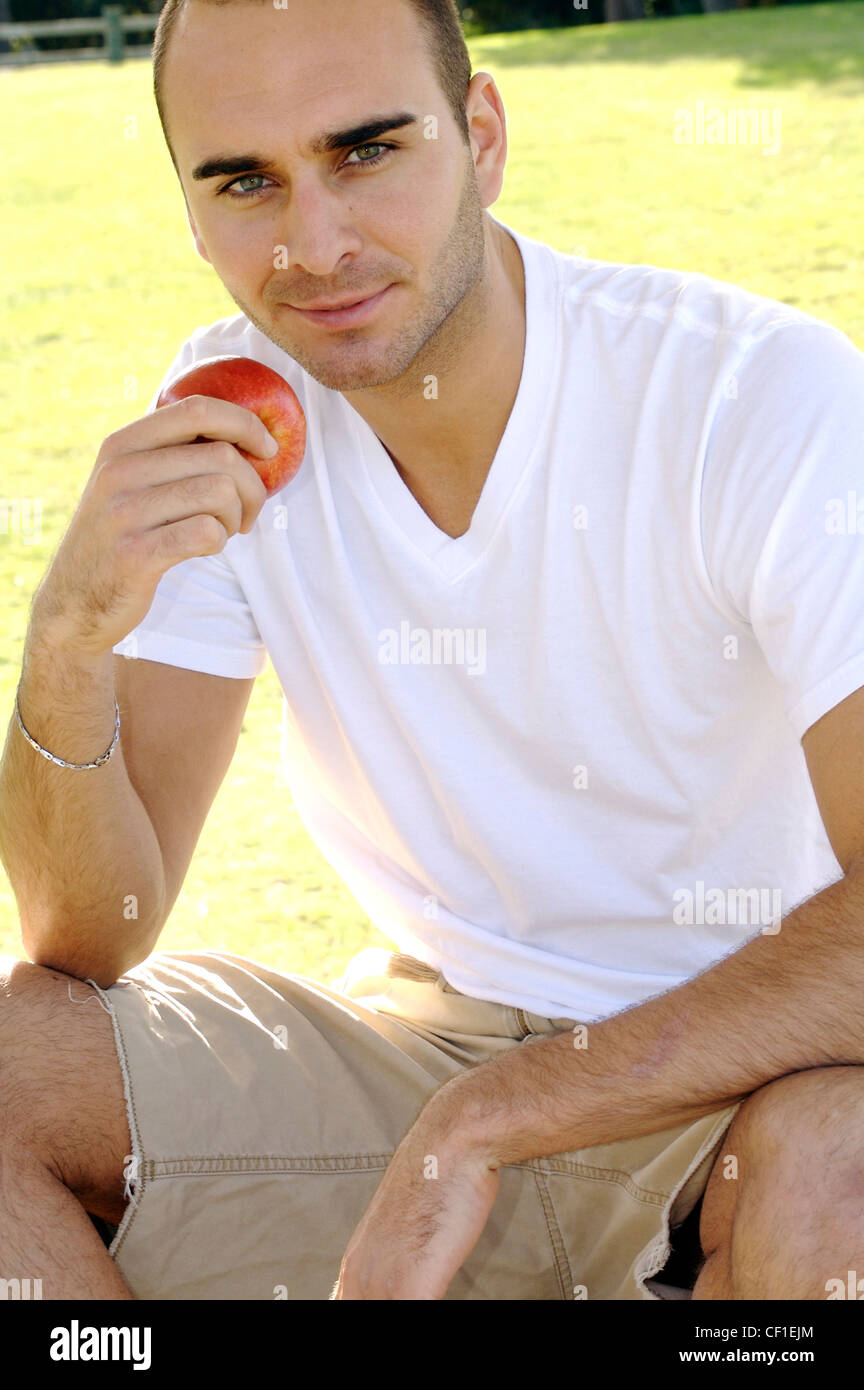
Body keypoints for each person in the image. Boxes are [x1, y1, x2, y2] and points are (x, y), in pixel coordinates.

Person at [2, 0, 864, 1303]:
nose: (314, 245)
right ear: (190, 209)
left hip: (743, 1069)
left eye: (366, 151)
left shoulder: (752, 395)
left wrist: (486, 1121)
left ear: (481, 134)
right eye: (246, 182)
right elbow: (89, 935)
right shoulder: (228, 416)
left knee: (838, 1158)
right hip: (422, 1044)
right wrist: (66, 639)